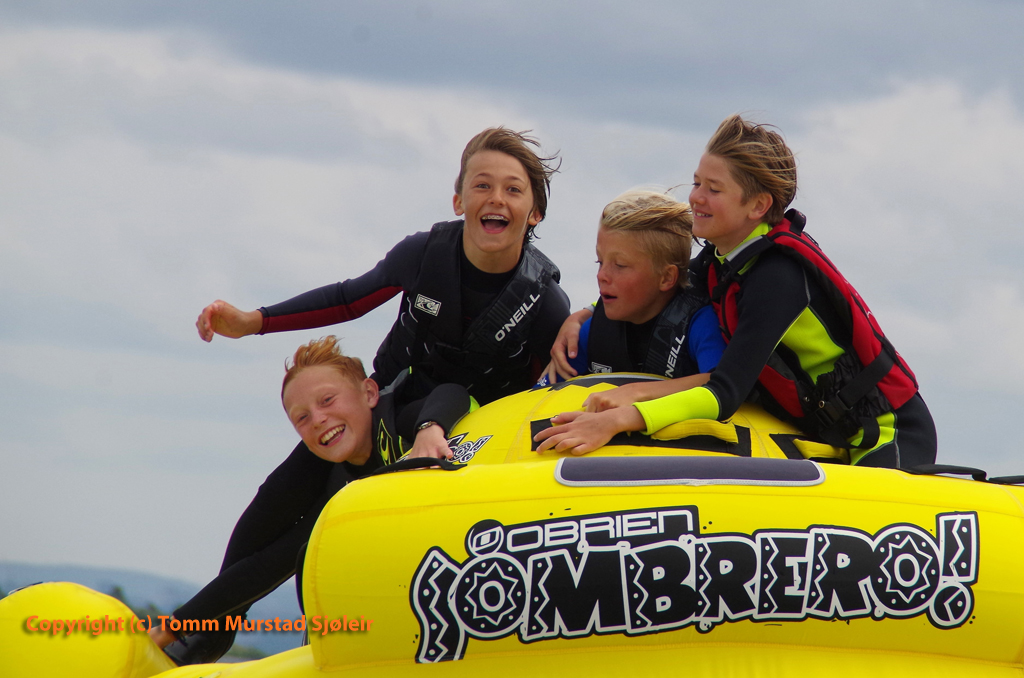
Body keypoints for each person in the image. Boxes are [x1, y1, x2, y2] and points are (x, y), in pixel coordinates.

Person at [536, 115, 936, 468]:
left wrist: (624, 413)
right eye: (697, 182)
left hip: (886, 432)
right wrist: (584, 314)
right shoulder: (720, 261)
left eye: (713, 188)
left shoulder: (777, 277)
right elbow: (658, 287)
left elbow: (726, 392)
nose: (695, 197)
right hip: (829, 436)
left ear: (758, 205)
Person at [150, 336, 470, 665]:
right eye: (301, 418)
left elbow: (453, 392)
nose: (317, 419)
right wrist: (171, 628)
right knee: (276, 510)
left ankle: (207, 633)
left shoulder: (397, 421)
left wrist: (430, 428)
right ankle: (208, 633)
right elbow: (267, 565)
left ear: (369, 393)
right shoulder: (339, 486)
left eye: (327, 400)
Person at [195, 127, 570, 406]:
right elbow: (347, 301)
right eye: (482, 186)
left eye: (513, 189)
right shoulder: (422, 255)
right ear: (458, 201)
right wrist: (251, 322)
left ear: (535, 213)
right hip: (391, 410)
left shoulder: (545, 302)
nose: (497, 199)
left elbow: (560, 389)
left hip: (481, 442)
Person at [537, 190, 725, 410]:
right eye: (600, 262)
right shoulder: (591, 332)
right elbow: (537, 400)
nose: (601, 275)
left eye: (620, 265)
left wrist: (637, 393)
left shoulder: (700, 323)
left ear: (666, 278)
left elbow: (722, 383)